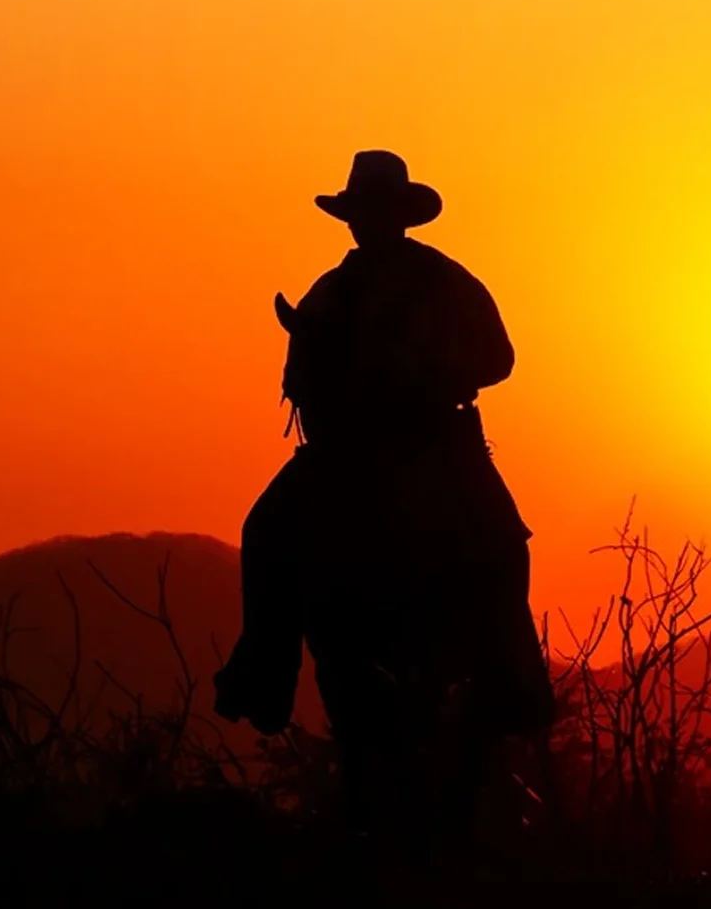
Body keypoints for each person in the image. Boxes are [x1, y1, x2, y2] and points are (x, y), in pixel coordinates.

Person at [212, 151, 551, 761]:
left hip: (436, 441)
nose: (366, 222)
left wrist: (426, 373)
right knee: (263, 530)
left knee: (501, 540)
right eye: (359, 212)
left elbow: (499, 359)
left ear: (399, 215)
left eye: (375, 210)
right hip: (343, 451)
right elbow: (299, 384)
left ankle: (512, 680)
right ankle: (264, 673)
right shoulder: (329, 292)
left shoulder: (445, 282)